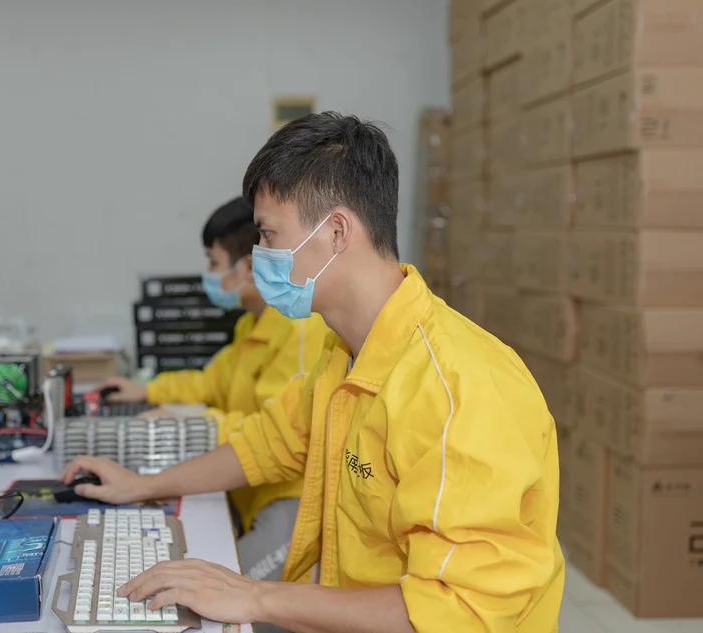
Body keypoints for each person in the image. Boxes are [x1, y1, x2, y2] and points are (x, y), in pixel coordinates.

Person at [64, 112, 564, 632]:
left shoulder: (458, 388)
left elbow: (458, 611)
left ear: (337, 231)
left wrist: (255, 597)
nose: (260, 257)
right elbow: (270, 443)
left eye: (269, 235)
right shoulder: (346, 349)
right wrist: (142, 486)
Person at [99, 196, 331, 583]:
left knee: (217, 595)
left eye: (213, 261)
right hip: (249, 490)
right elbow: (210, 383)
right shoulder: (252, 324)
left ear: (249, 266)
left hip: (292, 502)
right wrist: (147, 392)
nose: (208, 273)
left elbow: (274, 433)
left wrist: (191, 424)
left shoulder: (300, 330)